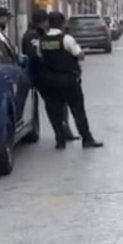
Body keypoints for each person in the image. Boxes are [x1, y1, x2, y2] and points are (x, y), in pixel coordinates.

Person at [39, 11, 102, 149]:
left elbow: (41, 58)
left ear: (49, 23)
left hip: (50, 82)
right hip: (69, 81)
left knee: (55, 113)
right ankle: (87, 139)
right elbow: (79, 55)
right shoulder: (66, 39)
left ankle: (60, 140)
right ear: (62, 23)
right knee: (78, 110)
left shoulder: (42, 41)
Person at [22, 11, 78, 143]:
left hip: (45, 75)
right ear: (43, 22)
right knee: (53, 105)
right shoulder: (33, 36)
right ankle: (61, 133)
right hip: (39, 76)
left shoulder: (39, 34)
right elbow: (35, 55)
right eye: (47, 21)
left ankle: (64, 131)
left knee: (58, 104)